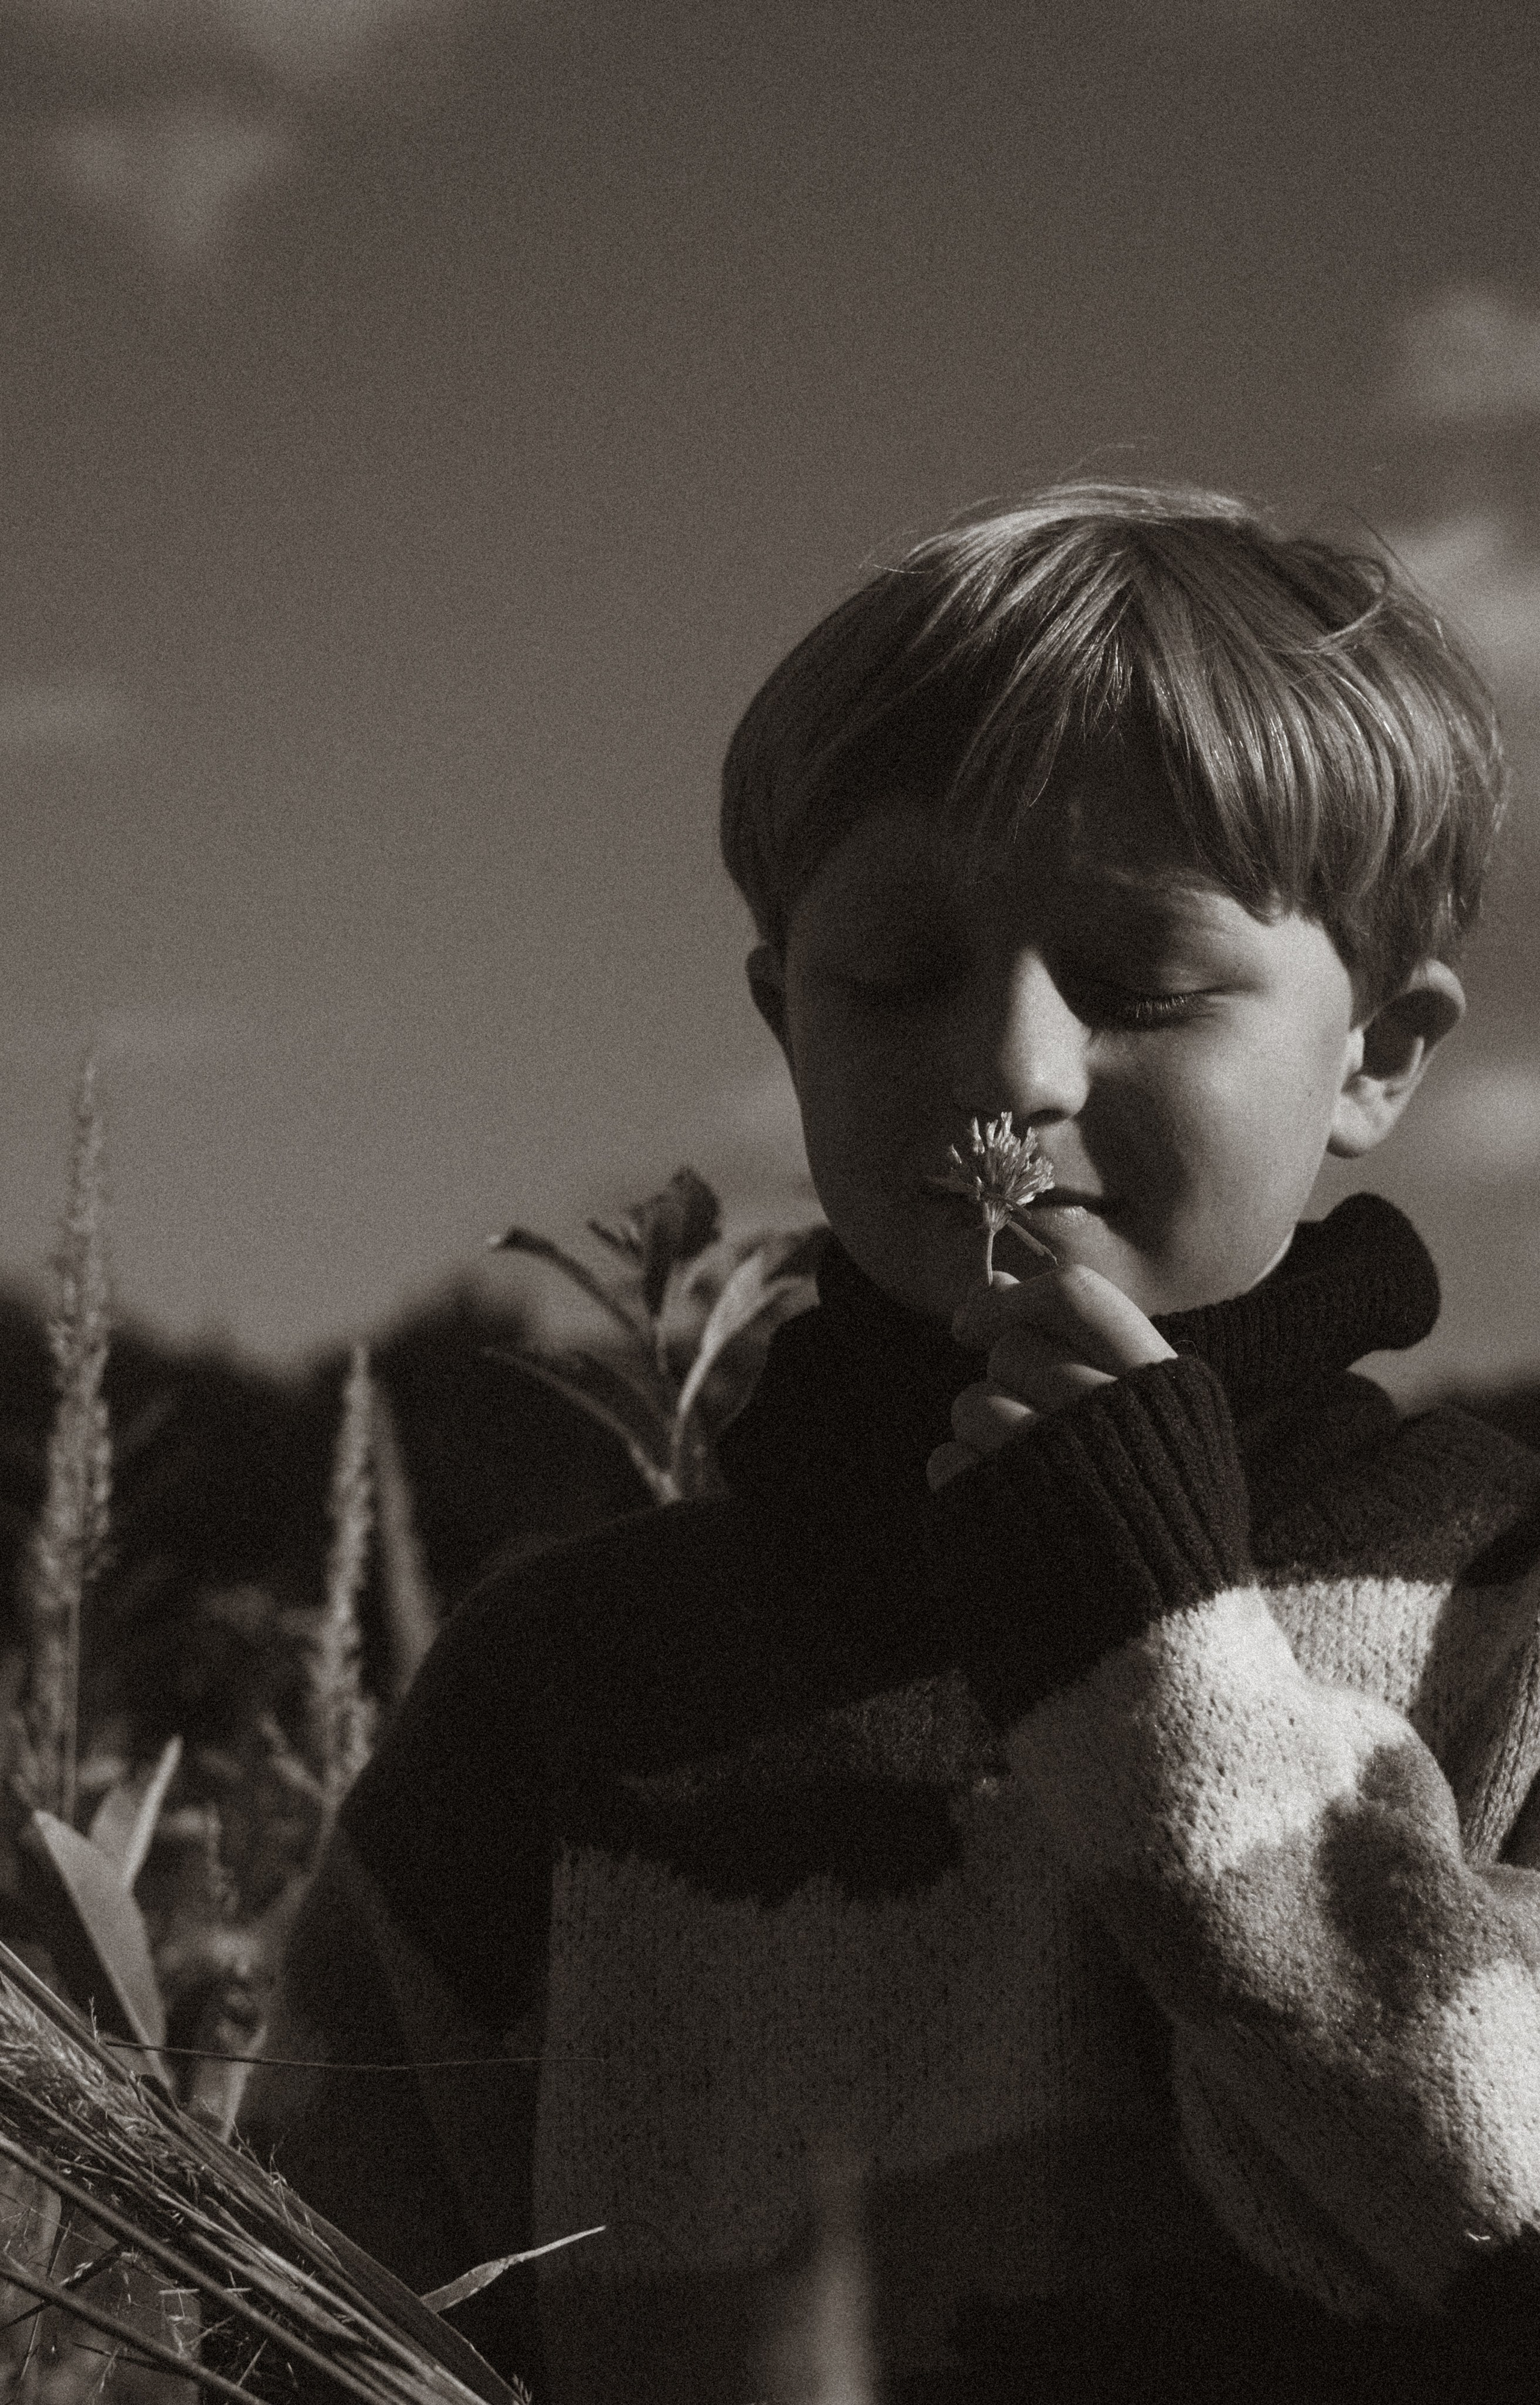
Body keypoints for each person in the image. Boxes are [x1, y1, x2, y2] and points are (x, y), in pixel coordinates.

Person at [243, 485, 1540, 2404]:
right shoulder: (569, 1691)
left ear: (1379, 1054)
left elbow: (1502, 2216)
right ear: (785, 1021)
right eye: (896, 977)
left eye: (1142, 984)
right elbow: (304, 2311)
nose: (1010, 1072)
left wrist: (1165, 1678)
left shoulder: (1501, 1617)